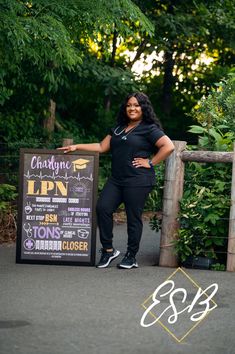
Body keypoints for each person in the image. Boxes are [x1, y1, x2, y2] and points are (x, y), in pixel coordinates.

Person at [59, 92, 175, 269]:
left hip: (138, 180)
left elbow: (169, 146)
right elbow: (101, 146)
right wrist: (76, 146)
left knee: (133, 217)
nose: (132, 108)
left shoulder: (149, 128)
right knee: (103, 208)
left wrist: (150, 162)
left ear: (143, 108)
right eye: (129, 105)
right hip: (117, 179)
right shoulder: (119, 128)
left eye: (136, 105)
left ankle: (131, 255)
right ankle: (108, 250)